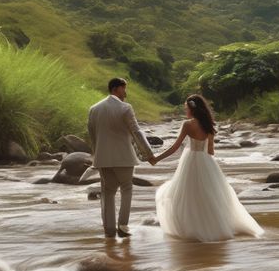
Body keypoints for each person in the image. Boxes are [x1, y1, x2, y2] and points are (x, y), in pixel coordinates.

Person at [152, 95, 264, 241]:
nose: (185, 111)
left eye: (186, 108)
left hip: (190, 161)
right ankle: (214, 227)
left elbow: (175, 147)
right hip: (206, 162)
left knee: (187, 195)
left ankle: (193, 227)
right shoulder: (208, 125)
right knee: (210, 195)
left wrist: (157, 158)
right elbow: (211, 151)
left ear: (191, 109)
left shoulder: (187, 124)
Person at [87, 78, 155, 239]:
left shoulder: (94, 109)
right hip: (124, 157)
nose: (126, 93)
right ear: (116, 89)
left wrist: (97, 153)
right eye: (124, 89)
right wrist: (148, 154)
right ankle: (123, 226)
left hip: (103, 158)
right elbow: (136, 132)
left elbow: (92, 134)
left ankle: (109, 231)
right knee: (127, 189)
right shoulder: (125, 108)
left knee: (108, 193)